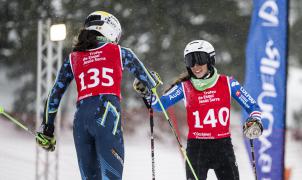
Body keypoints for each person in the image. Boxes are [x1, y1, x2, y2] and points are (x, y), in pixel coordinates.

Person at [35, 11, 160, 180]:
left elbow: (54, 94)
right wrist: (149, 82)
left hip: (81, 121)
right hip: (106, 116)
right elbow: (149, 82)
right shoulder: (120, 52)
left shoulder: (73, 58)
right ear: (110, 30)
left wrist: (48, 128)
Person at [133, 40, 263, 180]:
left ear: (210, 60)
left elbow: (253, 107)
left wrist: (254, 120)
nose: (195, 66)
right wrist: (146, 93)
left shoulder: (227, 83)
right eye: (190, 61)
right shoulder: (184, 87)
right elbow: (159, 106)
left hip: (223, 147)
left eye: (200, 59)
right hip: (197, 148)